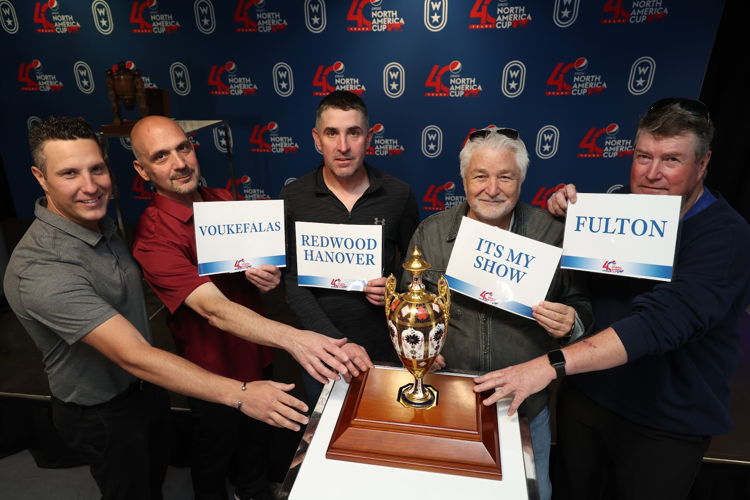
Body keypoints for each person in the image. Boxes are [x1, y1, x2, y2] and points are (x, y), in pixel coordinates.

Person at [2, 117, 310, 500]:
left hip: (150, 392)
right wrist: (263, 373)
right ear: (40, 177)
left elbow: (248, 268)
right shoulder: (42, 267)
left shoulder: (102, 229)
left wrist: (265, 274)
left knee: (161, 479)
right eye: (69, 173)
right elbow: (142, 349)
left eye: (96, 169)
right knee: (151, 481)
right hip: (104, 409)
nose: (90, 186)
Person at [474, 98, 750, 500]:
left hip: (665, 424)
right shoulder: (612, 207)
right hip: (588, 403)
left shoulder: (725, 237)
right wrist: (564, 219)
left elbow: (657, 324)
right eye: (643, 156)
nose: (652, 174)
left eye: (671, 160)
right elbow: (581, 291)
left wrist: (548, 365)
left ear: (702, 165)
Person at [129, 115, 373, 500]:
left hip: (257, 354)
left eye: (183, 148)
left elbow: (254, 269)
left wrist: (266, 274)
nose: (179, 163)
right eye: (161, 157)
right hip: (212, 372)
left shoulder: (224, 200)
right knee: (214, 455)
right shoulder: (153, 235)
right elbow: (214, 310)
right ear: (142, 170)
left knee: (255, 449)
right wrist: (296, 339)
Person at [400, 126, 592, 500]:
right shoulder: (432, 232)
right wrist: (418, 347)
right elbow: (408, 301)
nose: (492, 189)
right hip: (447, 402)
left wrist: (572, 323)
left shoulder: (550, 233)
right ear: (464, 179)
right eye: (481, 176)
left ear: (521, 179)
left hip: (523, 408)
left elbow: (582, 304)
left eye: (505, 176)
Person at [280, 90, 419, 403]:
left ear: (368, 138)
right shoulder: (293, 197)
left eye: (353, 133)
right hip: (322, 355)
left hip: (386, 351)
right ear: (317, 139)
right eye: (332, 133)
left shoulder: (398, 194)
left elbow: (415, 269)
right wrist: (334, 343)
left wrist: (396, 290)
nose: (343, 146)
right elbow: (292, 283)